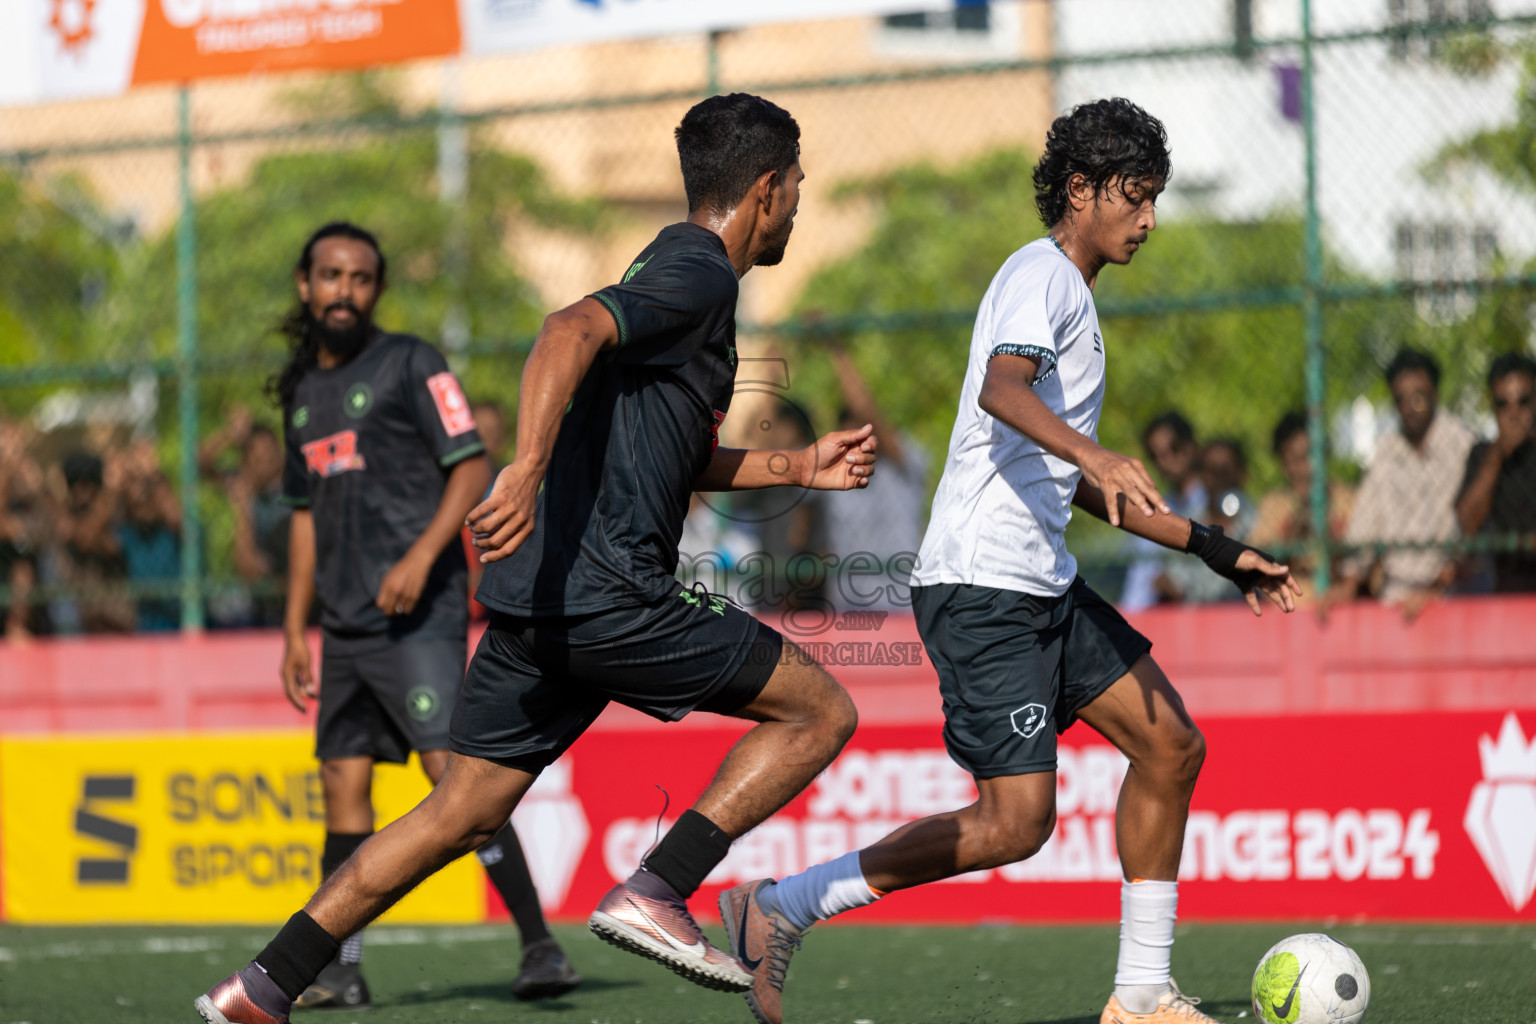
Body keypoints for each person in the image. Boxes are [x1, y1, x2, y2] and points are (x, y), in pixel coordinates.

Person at [193, 93, 878, 1024]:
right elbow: (567, 328)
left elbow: (666, 444)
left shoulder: (672, 272)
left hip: (541, 602)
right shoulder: (701, 272)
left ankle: (261, 986)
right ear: (766, 189)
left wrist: (798, 464)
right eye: (797, 186)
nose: (798, 202)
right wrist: (525, 466)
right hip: (612, 593)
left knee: (459, 811)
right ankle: (659, 889)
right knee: (819, 710)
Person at [715, 98, 1299, 1024]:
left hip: (1043, 583)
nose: (1149, 220)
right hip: (982, 588)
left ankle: (1142, 994)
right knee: (1014, 825)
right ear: (1080, 190)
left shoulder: (1072, 302)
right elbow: (1001, 393)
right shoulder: (1044, 275)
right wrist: (1091, 451)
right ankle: (780, 906)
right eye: (1134, 198)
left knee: (1171, 745)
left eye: (1155, 200)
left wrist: (1225, 554)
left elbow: (1078, 483)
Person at [226, 221, 575, 1012]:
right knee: (343, 790)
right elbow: (306, 517)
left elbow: (473, 467)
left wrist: (422, 557)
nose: (344, 290)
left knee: (454, 783)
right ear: (304, 285)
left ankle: (540, 946)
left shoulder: (412, 362)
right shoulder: (300, 395)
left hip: (419, 617)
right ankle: (341, 968)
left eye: (359, 278)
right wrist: (293, 629)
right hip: (345, 628)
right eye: (330, 275)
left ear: (375, 290)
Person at [1327, 349, 1474, 620]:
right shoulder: (1386, 451)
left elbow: (1469, 535)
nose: (1410, 407)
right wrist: (1348, 582)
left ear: (1435, 394)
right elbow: (1364, 526)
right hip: (1395, 597)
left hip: (1453, 593)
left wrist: (1436, 588)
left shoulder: (1463, 446)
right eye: (1400, 400)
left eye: (1418, 397)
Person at [822, 343, 928, 611]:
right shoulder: (831, 481)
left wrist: (838, 352)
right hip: (847, 609)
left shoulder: (902, 464)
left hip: (898, 605)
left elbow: (866, 408)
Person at [1248, 411, 1355, 602]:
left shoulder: (1348, 499)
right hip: (1289, 611)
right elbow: (1257, 566)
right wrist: (1295, 529)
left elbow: (1364, 564)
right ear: (1283, 465)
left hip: (1339, 606)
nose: (1307, 469)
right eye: (1296, 461)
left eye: (1311, 456)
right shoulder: (1273, 505)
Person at [200, 407, 290, 628]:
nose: (263, 463)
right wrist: (230, 435)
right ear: (246, 462)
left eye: (268, 456)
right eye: (256, 458)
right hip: (258, 580)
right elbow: (202, 463)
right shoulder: (244, 487)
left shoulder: (295, 485)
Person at [1456, 352, 1536, 592]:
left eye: (1523, 401)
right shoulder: (1483, 455)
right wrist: (1499, 453)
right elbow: (1468, 522)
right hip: (1503, 588)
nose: (1514, 413)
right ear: (1493, 408)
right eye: (1503, 404)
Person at [1119, 411, 1204, 611]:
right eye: (1156, 456)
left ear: (1191, 446)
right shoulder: (1154, 509)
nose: (1165, 461)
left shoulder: (1216, 502)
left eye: (1173, 450)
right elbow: (1140, 583)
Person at [1156, 438, 1254, 604]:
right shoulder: (1187, 522)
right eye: (1211, 471)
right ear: (1201, 475)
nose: (1218, 479)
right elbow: (1172, 579)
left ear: (1241, 473)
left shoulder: (1254, 521)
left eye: (1225, 471)